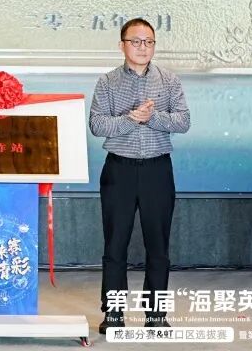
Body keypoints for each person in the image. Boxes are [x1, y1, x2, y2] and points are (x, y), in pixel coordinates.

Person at [89, 17, 191, 333]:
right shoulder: (107, 82)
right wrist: (131, 119)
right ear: (122, 45)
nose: (142, 47)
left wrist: (152, 117)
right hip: (118, 170)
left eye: (148, 42)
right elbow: (97, 125)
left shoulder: (169, 80)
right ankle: (114, 313)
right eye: (135, 41)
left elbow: (183, 121)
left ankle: (155, 314)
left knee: (158, 246)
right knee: (115, 245)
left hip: (157, 170)